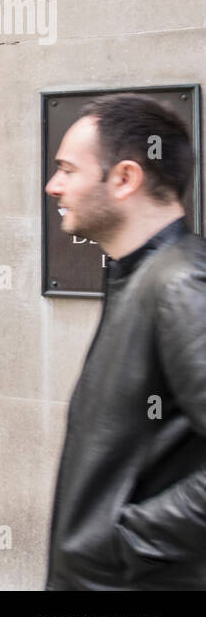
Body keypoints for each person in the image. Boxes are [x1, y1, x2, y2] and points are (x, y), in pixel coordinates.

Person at [43, 93, 206, 589]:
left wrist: (124, 542)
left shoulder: (181, 285)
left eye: (68, 169)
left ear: (125, 178)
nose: (53, 186)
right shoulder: (139, 276)